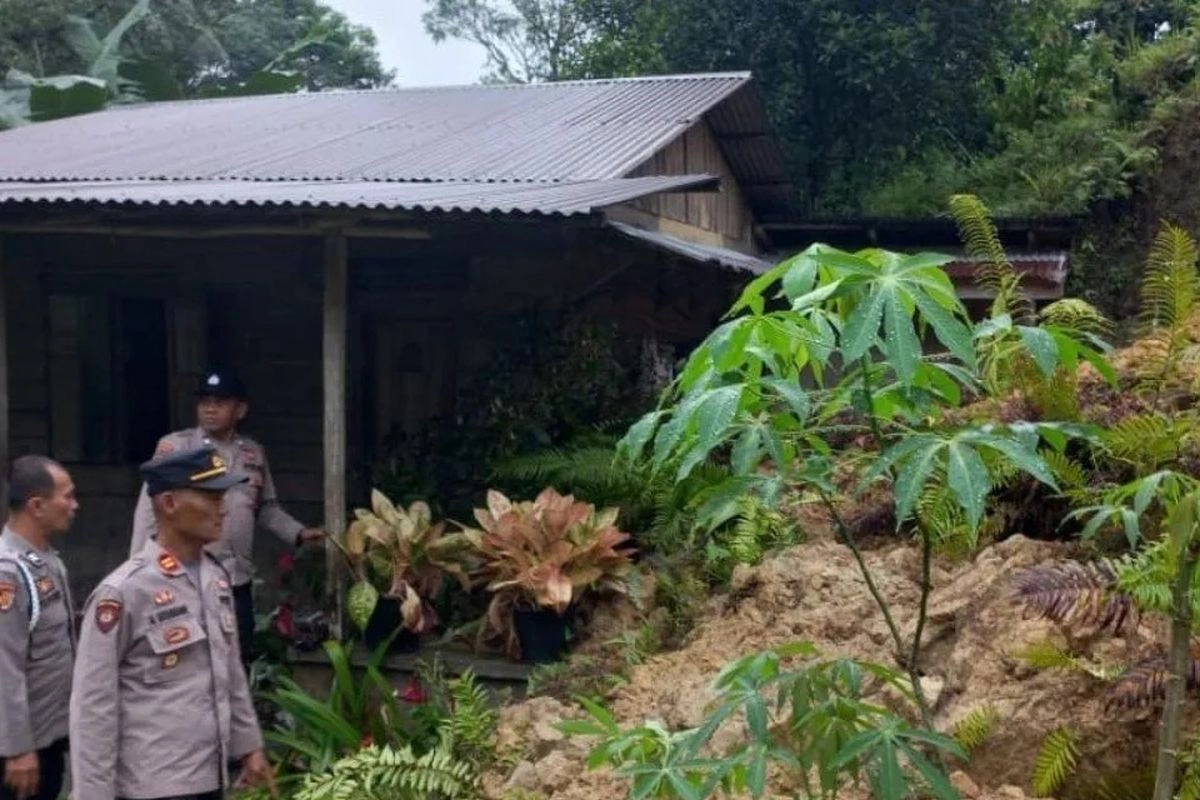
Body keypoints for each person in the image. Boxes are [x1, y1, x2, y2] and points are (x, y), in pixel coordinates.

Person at [71, 446, 276, 800]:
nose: (223, 509)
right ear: (169, 504)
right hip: (150, 785)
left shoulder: (215, 577)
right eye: (211, 498)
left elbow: (230, 671)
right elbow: (93, 706)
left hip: (209, 777)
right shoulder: (124, 592)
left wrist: (249, 747)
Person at [129, 370, 323, 665]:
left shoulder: (252, 453)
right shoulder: (178, 448)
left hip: (236, 578)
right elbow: (150, 508)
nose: (210, 409)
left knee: (237, 657)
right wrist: (139, 566)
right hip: (189, 576)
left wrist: (298, 532)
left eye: (220, 403)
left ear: (240, 410)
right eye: (204, 402)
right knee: (192, 659)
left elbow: (265, 507)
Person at [0, 456, 78, 800]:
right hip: (18, 754)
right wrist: (17, 750)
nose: (75, 505)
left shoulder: (45, 560)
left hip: (47, 739)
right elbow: (5, 667)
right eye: (67, 496)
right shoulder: (8, 572)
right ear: (36, 506)